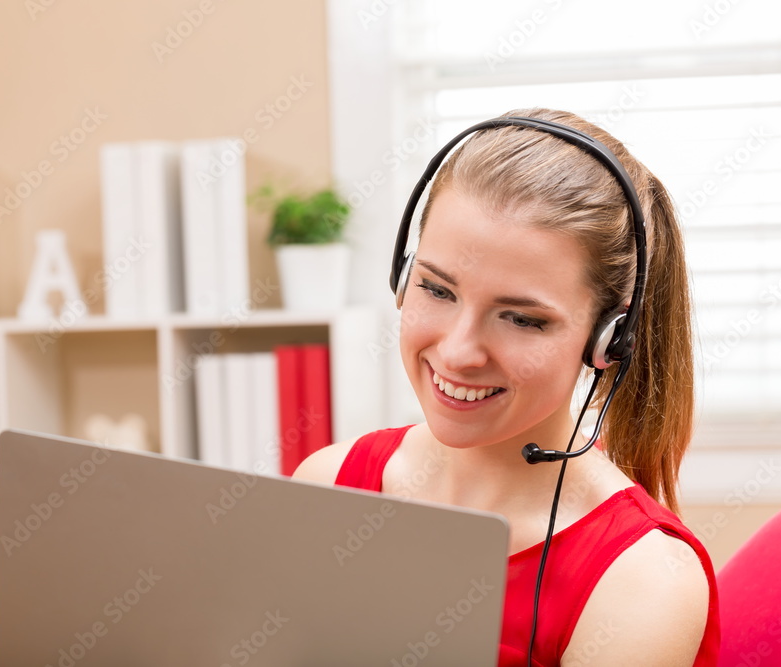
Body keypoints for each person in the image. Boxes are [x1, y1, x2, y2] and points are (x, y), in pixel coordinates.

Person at [293, 108, 720, 666]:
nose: (457, 352)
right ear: (403, 276)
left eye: (521, 319)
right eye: (437, 290)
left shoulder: (643, 580)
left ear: (608, 340)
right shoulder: (328, 488)